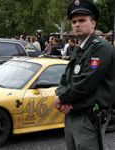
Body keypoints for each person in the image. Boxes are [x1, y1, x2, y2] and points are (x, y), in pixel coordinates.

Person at [53, 0, 115, 150]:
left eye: (82, 20)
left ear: (93, 23)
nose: (76, 24)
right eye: (74, 21)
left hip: (88, 118)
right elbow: (65, 78)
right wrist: (61, 97)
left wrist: (61, 99)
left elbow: (85, 84)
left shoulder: (102, 48)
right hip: (71, 114)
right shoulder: (79, 48)